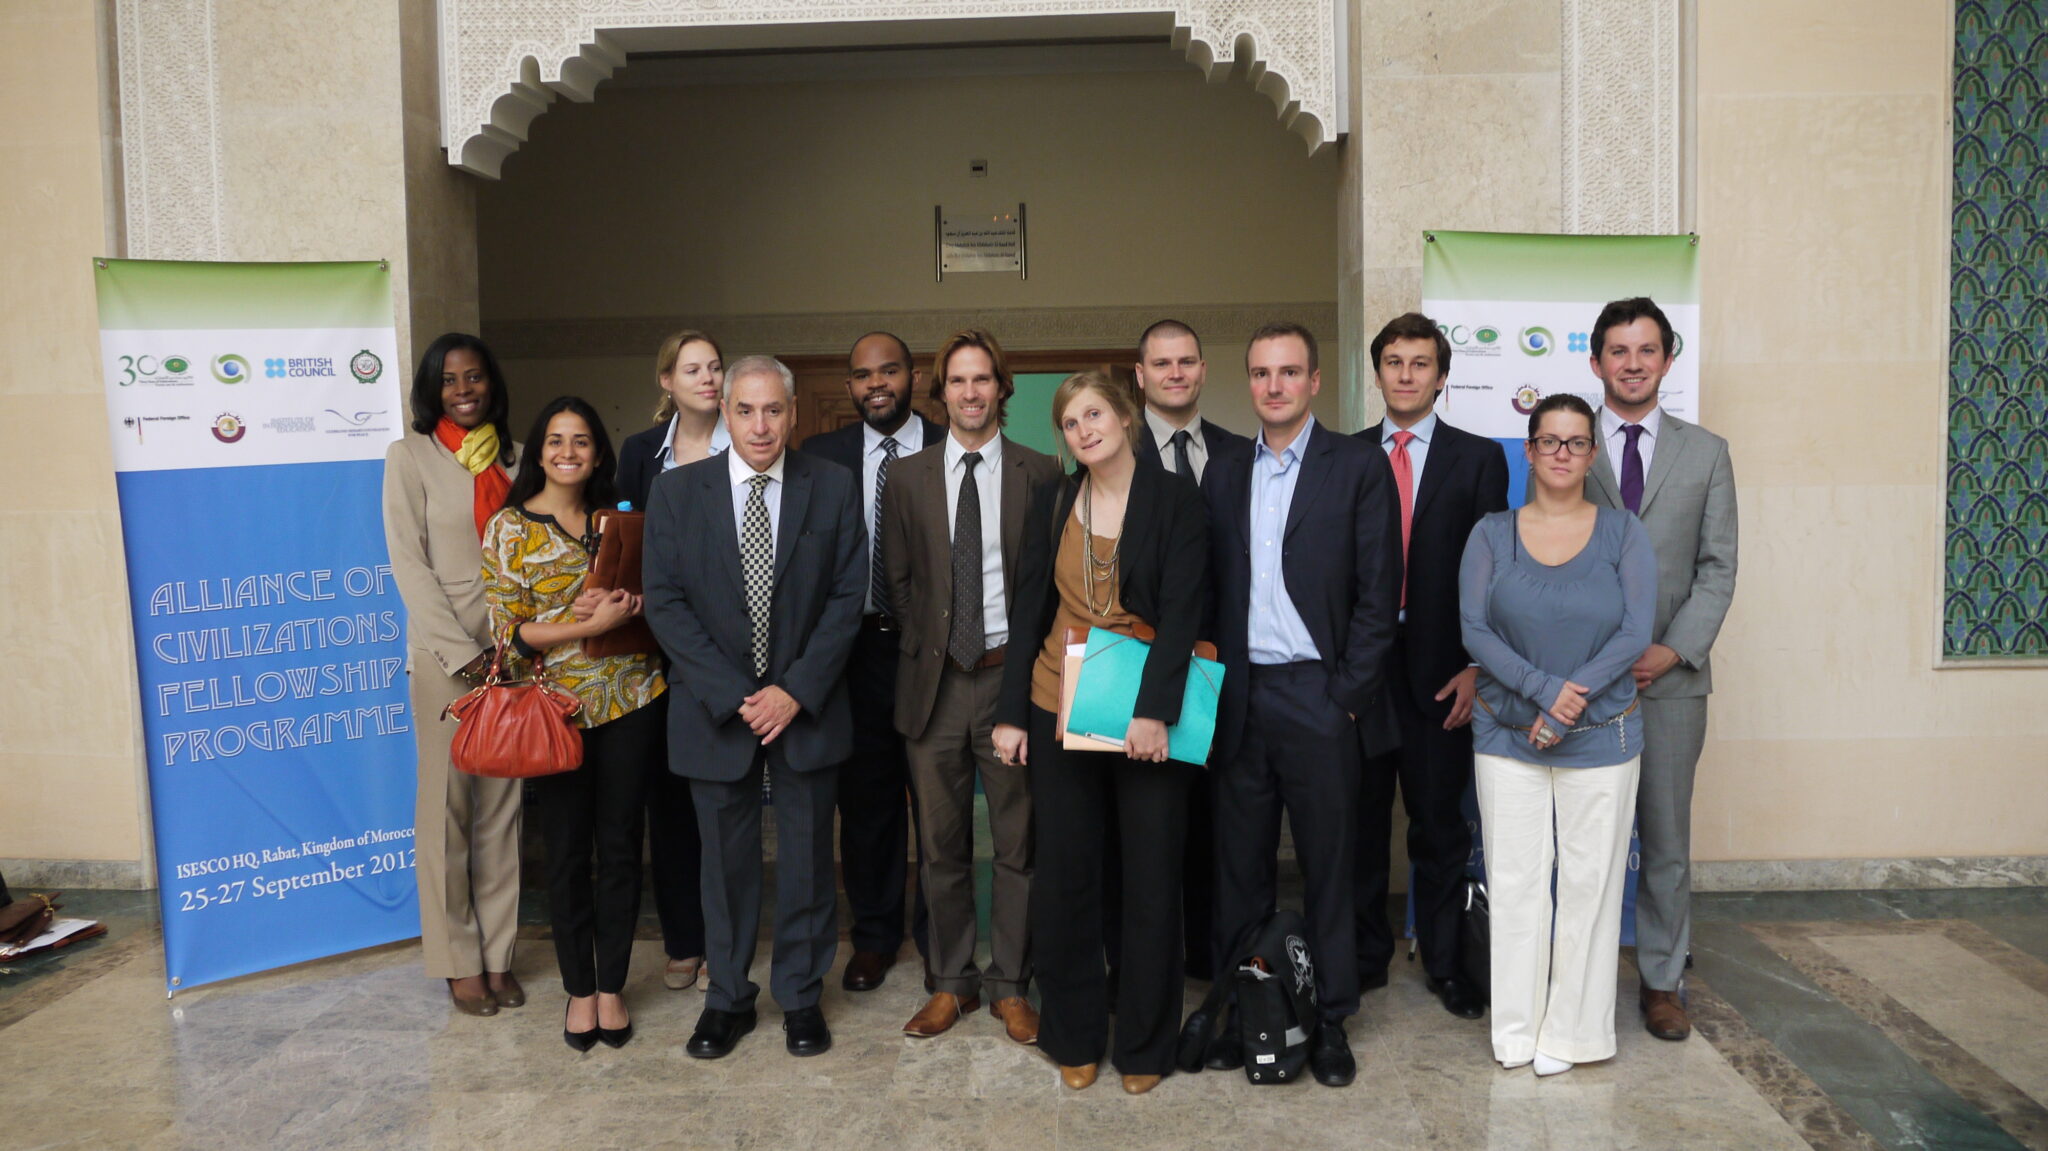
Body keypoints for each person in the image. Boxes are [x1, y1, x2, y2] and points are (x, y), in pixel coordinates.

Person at [642, 355, 866, 1060]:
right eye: (746, 410)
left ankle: (800, 996)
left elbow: (846, 597)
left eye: (773, 410)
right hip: (717, 711)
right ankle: (728, 999)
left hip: (807, 707)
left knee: (807, 862)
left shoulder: (833, 486)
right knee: (724, 866)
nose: (760, 425)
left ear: (793, 414)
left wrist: (794, 690)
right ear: (725, 413)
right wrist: (735, 694)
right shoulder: (676, 492)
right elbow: (666, 603)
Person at [992, 370, 1209, 1096]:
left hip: (1146, 712)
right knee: (1067, 878)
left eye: (1094, 414)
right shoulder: (1055, 499)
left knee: (1150, 878)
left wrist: (1154, 710)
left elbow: (1185, 610)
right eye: (1070, 421)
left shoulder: (1176, 499)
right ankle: (1074, 1035)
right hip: (1059, 702)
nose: (1083, 430)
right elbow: (1029, 608)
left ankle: (1145, 1044)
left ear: (1124, 416)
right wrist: (1011, 713)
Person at [1202, 322, 1402, 1088]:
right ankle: (1241, 1007)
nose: (1274, 385)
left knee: (1331, 867)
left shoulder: (1356, 465)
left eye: (1289, 372)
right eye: (1261, 372)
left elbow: (1379, 594)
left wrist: (1346, 697)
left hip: (1319, 695)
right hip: (1241, 696)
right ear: (1249, 382)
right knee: (1239, 869)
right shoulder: (1224, 470)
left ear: (1315, 380)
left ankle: (1331, 1018)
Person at [1459, 393, 1655, 1076]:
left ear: (1593, 454)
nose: (1562, 453)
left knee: (1589, 889)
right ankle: (1516, 1031)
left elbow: (1634, 630)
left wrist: (1567, 704)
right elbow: (1475, 630)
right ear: (1530, 450)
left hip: (1602, 737)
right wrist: (1544, 692)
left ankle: (1574, 1035)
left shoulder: (1624, 533)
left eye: (1576, 442)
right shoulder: (1491, 533)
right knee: (1515, 884)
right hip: (1506, 734)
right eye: (1550, 441)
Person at [882, 329, 1060, 1043]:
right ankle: (950, 982)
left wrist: (1021, 678)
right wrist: (934, 648)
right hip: (934, 688)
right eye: (957, 380)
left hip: (1011, 685)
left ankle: (1011, 985)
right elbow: (897, 583)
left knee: (1019, 844)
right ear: (941, 391)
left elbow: (1047, 588)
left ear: (1001, 387)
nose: (970, 391)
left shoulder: (1041, 471)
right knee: (941, 845)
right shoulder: (907, 477)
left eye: (982, 378)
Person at [482, 396, 666, 1051]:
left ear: (597, 453)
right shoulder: (508, 528)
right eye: (556, 440)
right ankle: (579, 988)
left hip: (633, 696)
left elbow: (656, 596)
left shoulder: (618, 519)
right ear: (539, 451)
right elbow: (508, 632)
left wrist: (630, 604)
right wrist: (586, 623)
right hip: (555, 709)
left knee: (620, 847)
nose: (568, 451)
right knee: (564, 853)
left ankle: (611, 984)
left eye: (581, 440)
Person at [1581, 297, 1739, 1042]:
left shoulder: (1707, 453)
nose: (1633, 363)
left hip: (1673, 683)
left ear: (1668, 359)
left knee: (1667, 841)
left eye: (1647, 349)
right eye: (1618, 350)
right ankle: (1580, 980)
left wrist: (1670, 649)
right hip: (1586, 682)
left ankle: (1661, 983)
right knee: (1589, 839)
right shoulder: (1569, 446)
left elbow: (1718, 567)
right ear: (1596, 361)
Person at [1354, 313, 1508, 1020]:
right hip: (1363, 673)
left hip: (1445, 673)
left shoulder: (1478, 459)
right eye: (1394, 361)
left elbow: (1494, 576)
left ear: (1442, 376)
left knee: (1440, 827)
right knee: (1358, 825)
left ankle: (1447, 964)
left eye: (1420, 363)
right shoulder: (1347, 456)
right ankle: (1364, 958)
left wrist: (1478, 666)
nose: (1406, 374)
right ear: (1378, 372)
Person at [381, 332, 525, 1018]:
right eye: (449, 379)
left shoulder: (520, 458)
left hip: (514, 655)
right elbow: (408, 564)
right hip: (447, 661)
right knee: (446, 811)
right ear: (431, 390)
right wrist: (461, 653)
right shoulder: (409, 457)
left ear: (491, 382)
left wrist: (519, 645)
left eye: (474, 376)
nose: (464, 389)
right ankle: (457, 961)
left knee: (503, 812)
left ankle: (498, 955)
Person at [1105, 319, 1251, 989]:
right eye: (1161, 363)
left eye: (1186, 361)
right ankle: (1138, 969)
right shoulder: (1111, 449)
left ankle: (1209, 962)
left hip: (1220, 668)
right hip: (1135, 671)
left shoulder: (1239, 454)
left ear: (1202, 369)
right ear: (1139, 375)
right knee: (1140, 831)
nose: (1175, 373)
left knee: (1214, 821)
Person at [798, 331, 944, 994]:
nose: (876, 383)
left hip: (933, 648)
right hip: (853, 649)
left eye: (889, 370)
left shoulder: (949, 444)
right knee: (867, 803)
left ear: (914, 377)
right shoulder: (818, 456)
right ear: (850, 386)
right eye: (862, 374)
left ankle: (942, 939)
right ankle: (876, 937)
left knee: (938, 801)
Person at [614, 329, 729, 993]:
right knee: (670, 800)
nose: (708, 378)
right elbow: (624, 542)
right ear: (667, 381)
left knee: (723, 802)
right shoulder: (640, 453)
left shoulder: (746, 441)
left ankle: (724, 939)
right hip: (653, 647)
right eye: (693, 369)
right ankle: (684, 940)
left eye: (715, 367)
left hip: (731, 648)